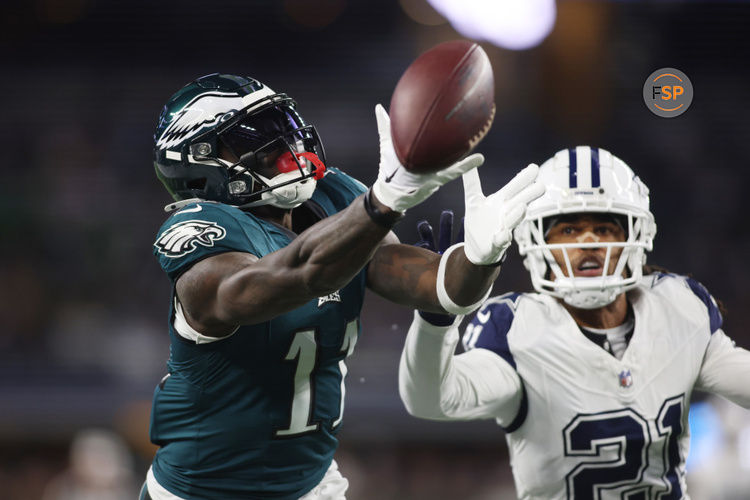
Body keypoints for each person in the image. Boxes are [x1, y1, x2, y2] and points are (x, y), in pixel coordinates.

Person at [141, 73, 544, 500]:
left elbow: (439, 288)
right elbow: (294, 276)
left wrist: (481, 258)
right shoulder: (199, 231)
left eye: (283, 129)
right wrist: (380, 204)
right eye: (254, 138)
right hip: (202, 493)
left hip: (312, 486)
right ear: (198, 161)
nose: (285, 148)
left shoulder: (330, 198)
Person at [399, 146, 750, 500]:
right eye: (568, 229)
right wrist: (435, 321)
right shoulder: (517, 329)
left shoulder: (677, 308)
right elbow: (430, 399)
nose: (587, 242)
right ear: (537, 242)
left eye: (603, 227)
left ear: (634, 236)